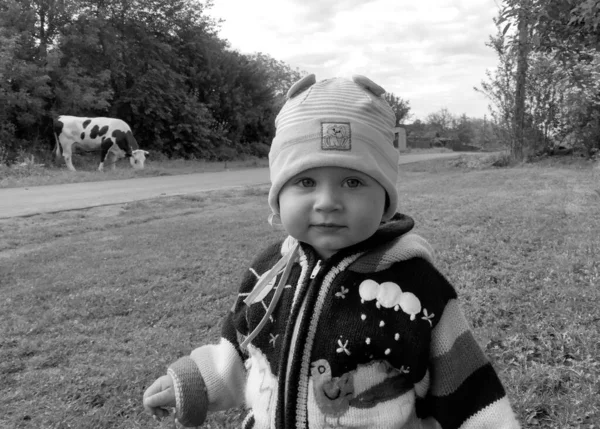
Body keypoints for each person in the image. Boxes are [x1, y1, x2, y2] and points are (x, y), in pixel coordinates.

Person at [143, 74, 520, 428]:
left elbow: (471, 391)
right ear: (277, 199)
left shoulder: (417, 290)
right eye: (305, 181)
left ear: (386, 201)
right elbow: (243, 353)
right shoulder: (267, 272)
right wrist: (197, 381)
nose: (327, 202)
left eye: (353, 181)